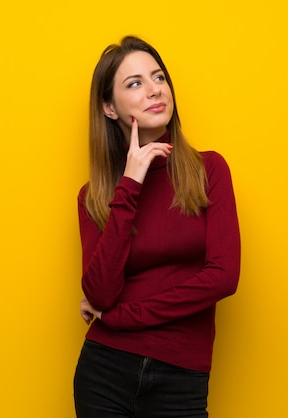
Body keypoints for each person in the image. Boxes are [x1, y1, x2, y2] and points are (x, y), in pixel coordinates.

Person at [74, 35, 241, 418]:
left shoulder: (208, 170)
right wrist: (130, 184)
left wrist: (121, 317)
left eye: (159, 77)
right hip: (104, 372)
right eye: (135, 83)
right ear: (109, 108)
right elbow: (99, 292)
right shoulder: (94, 196)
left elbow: (223, 277)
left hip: (181, 376)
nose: (154, 90)